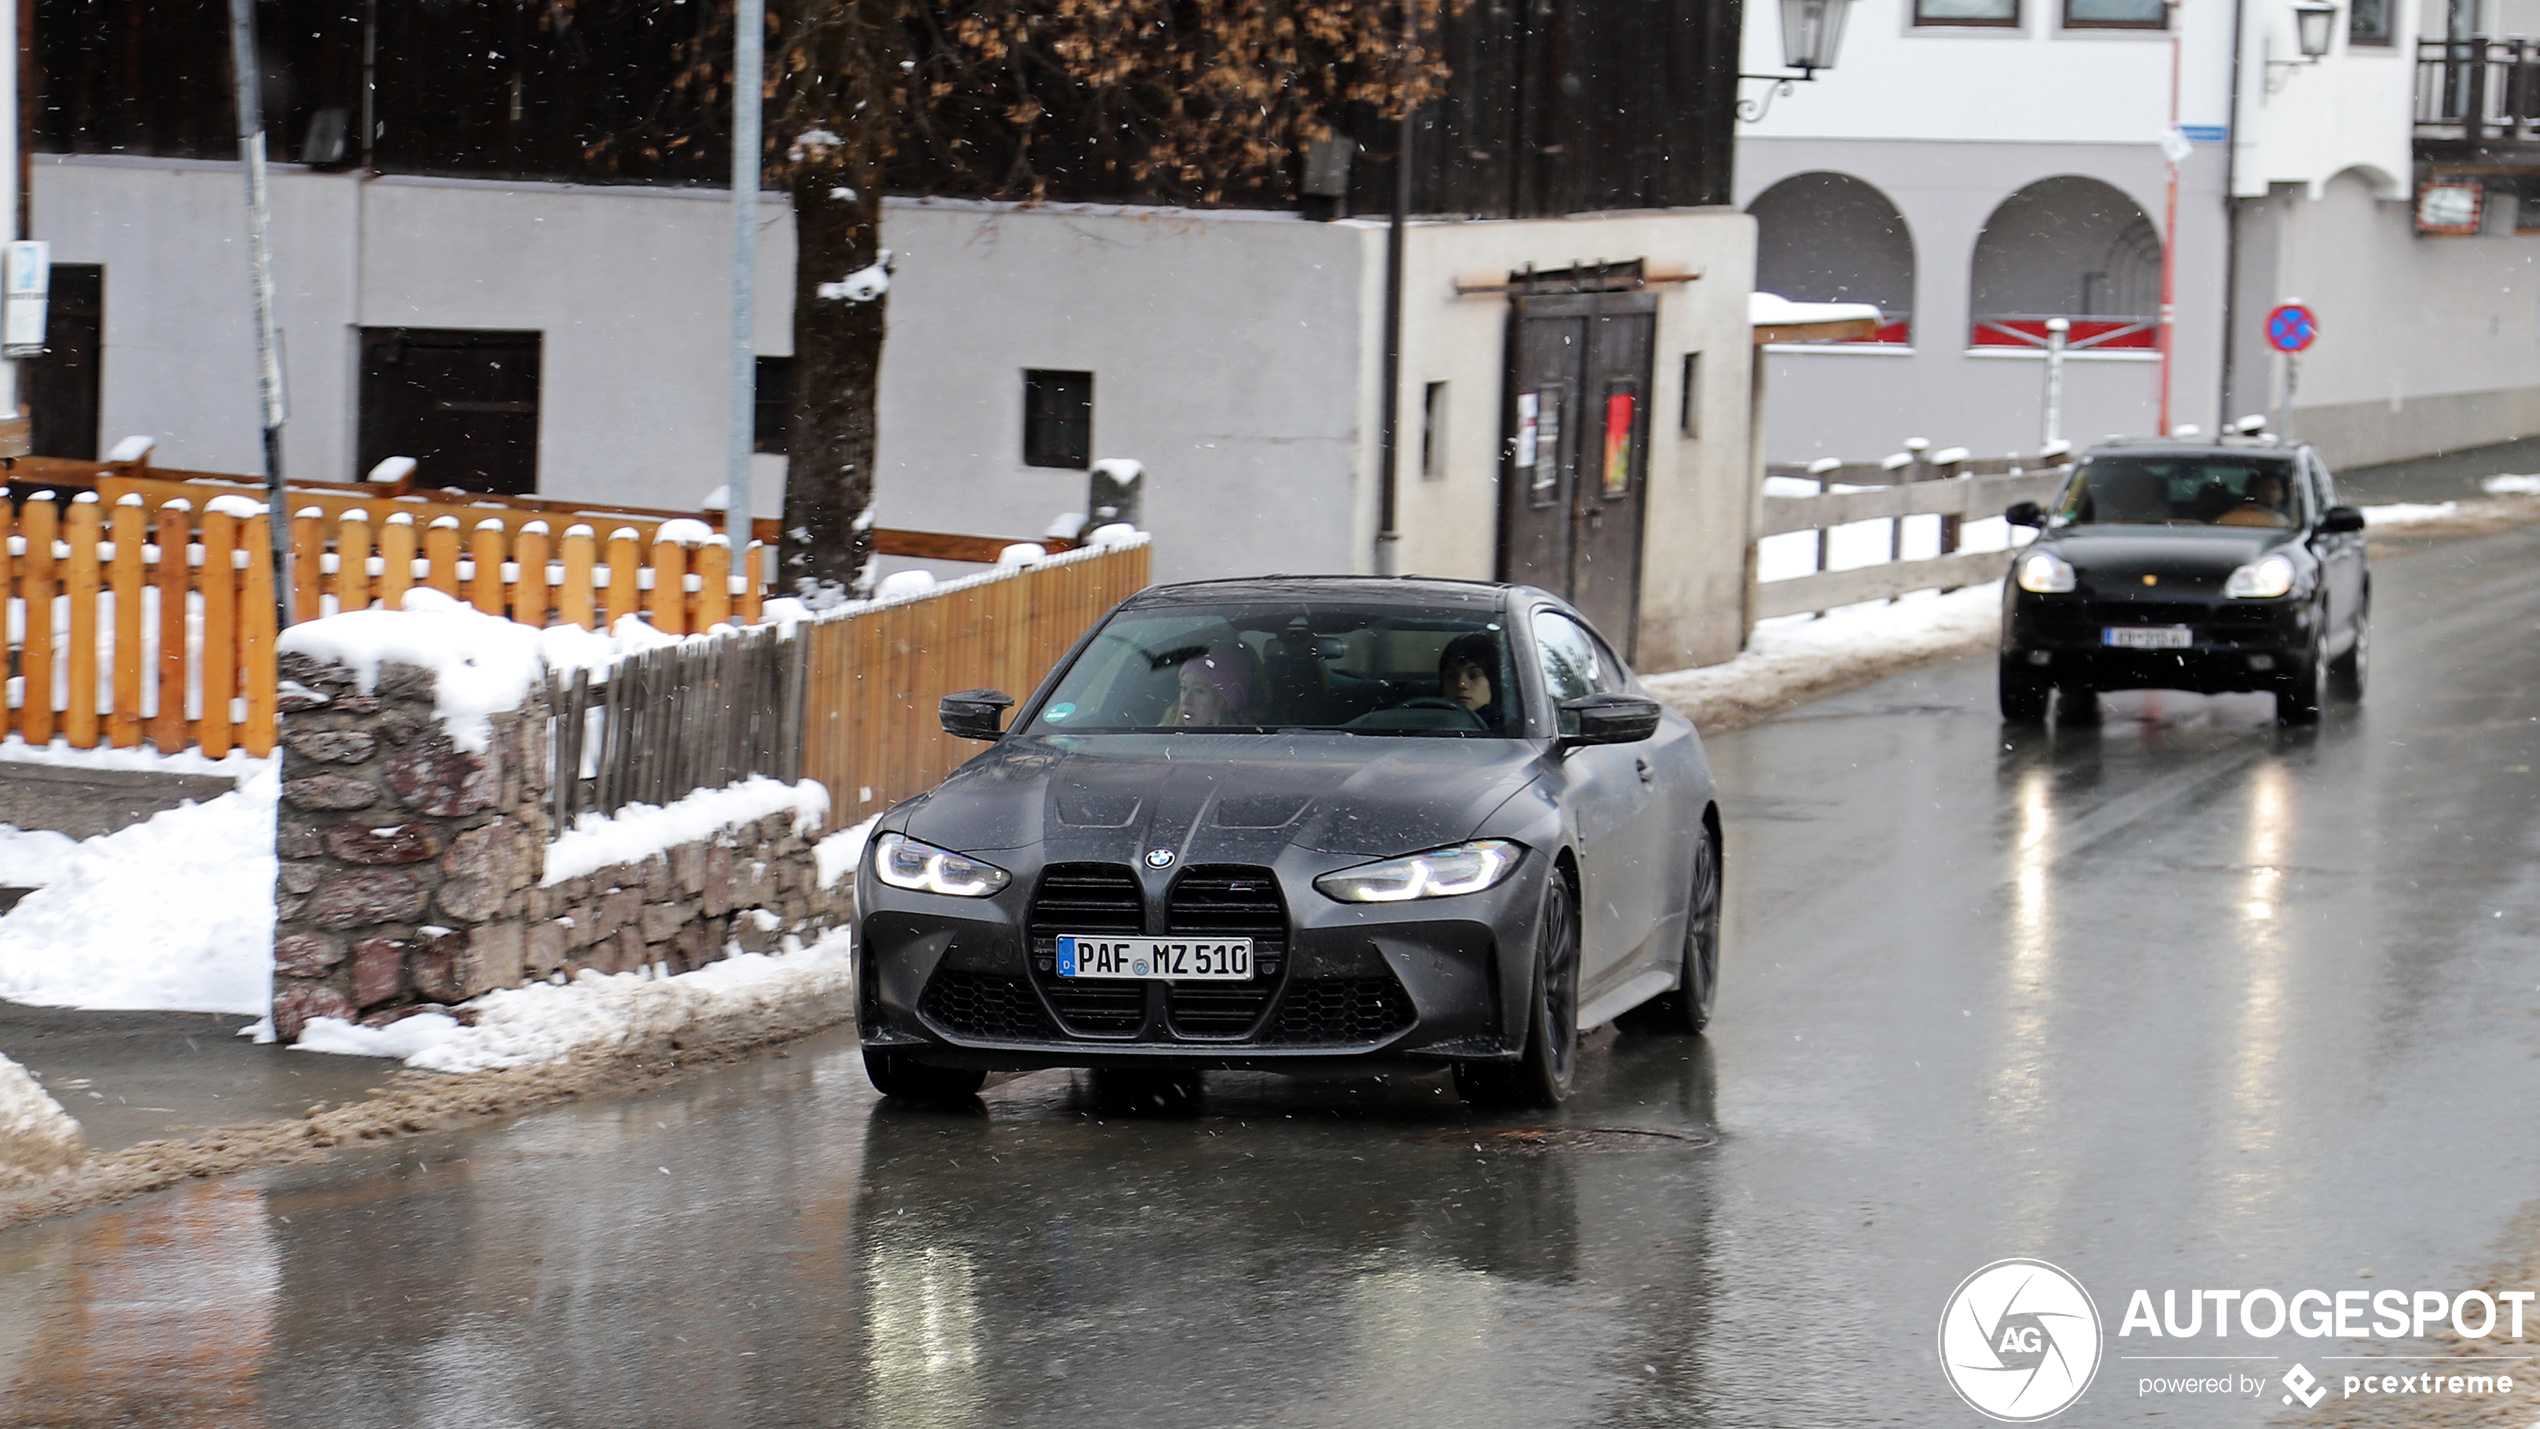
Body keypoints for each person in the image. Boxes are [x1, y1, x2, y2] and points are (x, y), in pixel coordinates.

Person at [1164, 647, 1255, 726]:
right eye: (1184, 688)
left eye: (1199, 690)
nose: (1186, 701)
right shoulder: (1160, 735)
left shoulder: (1246, 742)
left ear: (1223, 701)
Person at [1437, 632, 1508, 729]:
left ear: (1493, 682)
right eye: (1451, 675)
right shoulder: (1424, 722)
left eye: (1473, 676)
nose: (1461, 684)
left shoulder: (1510, 730)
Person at [2215, 470, 2292, 528]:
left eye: (2273, 487)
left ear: (2284, 493)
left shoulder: (2294, 517)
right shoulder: (2239, 515)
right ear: (2253, 491)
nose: (2267, 492)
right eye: (2262, 487)